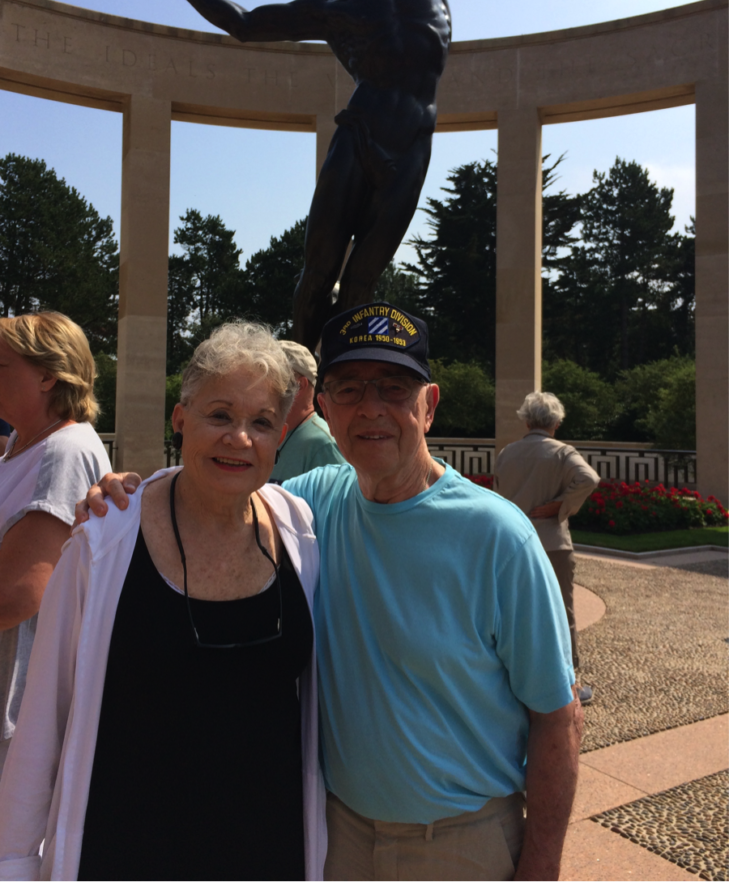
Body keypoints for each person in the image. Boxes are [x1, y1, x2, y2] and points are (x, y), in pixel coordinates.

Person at [79, 303, 582, 882]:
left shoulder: (497, 536)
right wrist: (126, 495)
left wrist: (541, 865)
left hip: (459, 843)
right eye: (349, 388)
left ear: (430, 403)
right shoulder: (310, 502)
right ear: (323, 407)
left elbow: (557, 717)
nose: (371, 407)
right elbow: (222, 484)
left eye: (395, 387)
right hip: (337, 836)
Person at [0, 322, 326, 882]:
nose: (239, 438)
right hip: (127, 850)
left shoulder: (302, 528)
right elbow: (44, 717)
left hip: (266, 851)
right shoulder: (105, 536)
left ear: (282, 436)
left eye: (262, 422)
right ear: (181, 419)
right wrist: (13, 863)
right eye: (219, 415)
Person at [130, 0, 457, 351]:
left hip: (411, 145)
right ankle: (305, 384)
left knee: (363, 278)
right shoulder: (335, 11)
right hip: (362, 133)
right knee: (320, 269)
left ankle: (338, 380)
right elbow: (245, 24)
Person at [0, 312, 111, 778]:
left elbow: (17, 595)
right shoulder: (21, 446)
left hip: (19, 713)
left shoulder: (63, 452)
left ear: (47, 375)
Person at [495, 391, 601, 705]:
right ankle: (570, 684)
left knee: (512, 611)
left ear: (526, 420)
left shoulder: (507, 453)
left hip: (512, 544)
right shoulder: (562, 452)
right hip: (552, 542)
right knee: (561, 612)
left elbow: (498, 495)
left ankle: (514, 679)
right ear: (556, 422)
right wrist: (561, 506)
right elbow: (589, 478)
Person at [270, 341, 345, 482]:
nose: (264, 384)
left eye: (273, 378)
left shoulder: (323, 445)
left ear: (299, 386)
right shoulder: (273, 434)